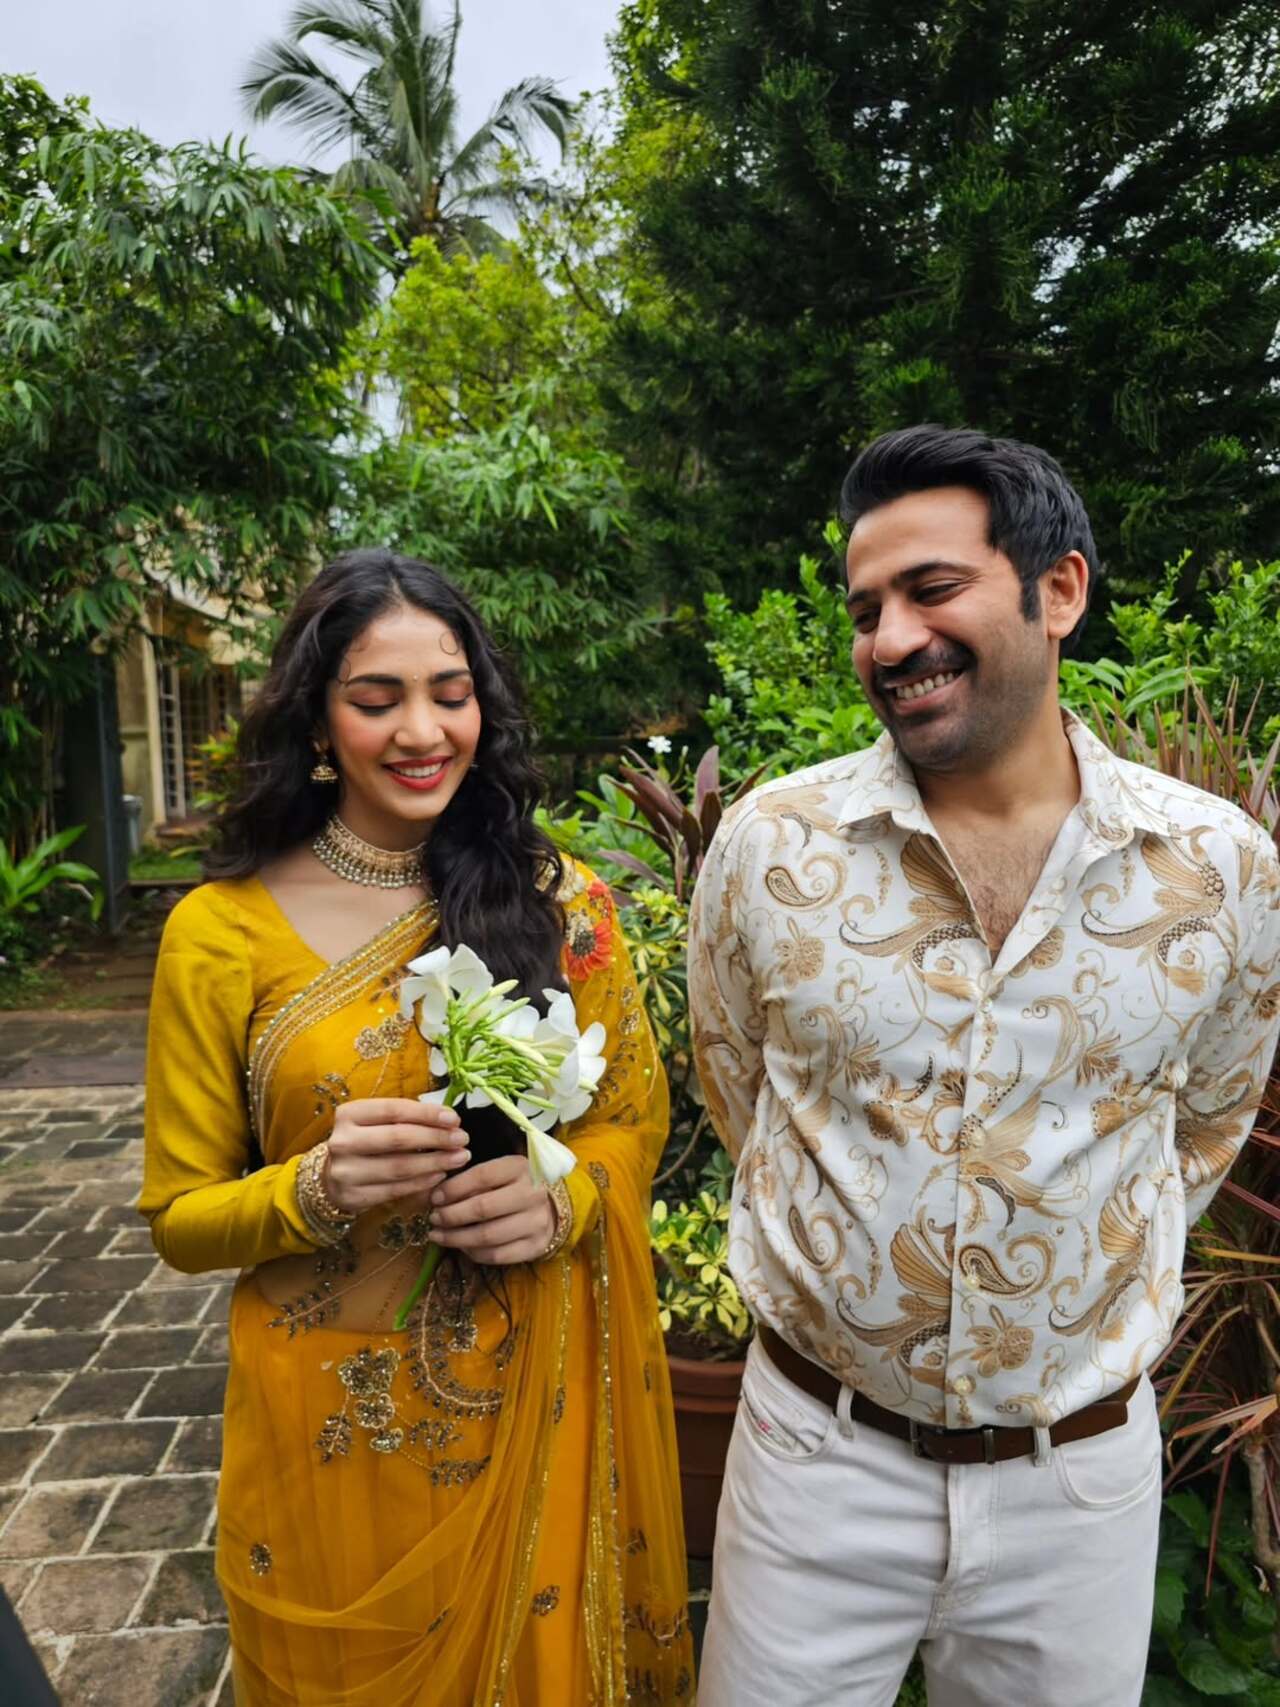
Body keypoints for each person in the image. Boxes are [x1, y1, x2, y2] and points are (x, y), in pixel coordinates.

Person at [688, 426, 1280, 1707]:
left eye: (931, 589)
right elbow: (738, 1087)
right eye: (866, 610)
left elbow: (1206, 1119)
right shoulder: (770, 849)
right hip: (815, 1462)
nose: (889, 640)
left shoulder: (1217, 869)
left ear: (1055, 591)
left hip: (1078, 1484)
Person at [140, 551, 693, 1706]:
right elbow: (181, 1221)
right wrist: (312, 1188)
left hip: (531, 1411)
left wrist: (563, 1196)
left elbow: (629, 1120)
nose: (421, 731)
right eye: (375, 698)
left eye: (449, 693)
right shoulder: (220, 931)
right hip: (328, 1433)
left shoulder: (558, 901)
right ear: (316, 720)